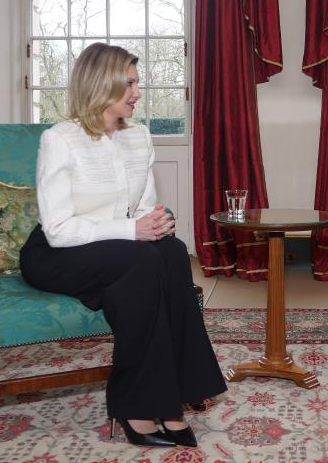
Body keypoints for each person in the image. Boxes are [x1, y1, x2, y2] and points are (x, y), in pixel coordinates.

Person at [19, 43, 226, 449]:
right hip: (56, 252)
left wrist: (155, 222)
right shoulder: (60, 140)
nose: (138, 91)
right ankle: (137, 406)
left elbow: (143, 208)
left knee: (170, 251)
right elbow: (59, 229)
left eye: (137, 82)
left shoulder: (139, 138)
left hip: (119, 252)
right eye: (129, 83)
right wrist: (133, 231)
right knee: (141, 261)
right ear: (102, 83)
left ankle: (172, 398)